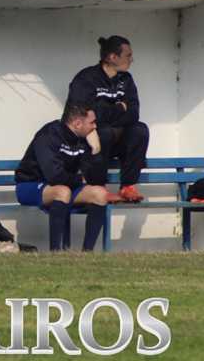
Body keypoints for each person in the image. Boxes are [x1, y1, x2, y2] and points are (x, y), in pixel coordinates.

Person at [14, 102, 109, 251]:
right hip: (29, 185)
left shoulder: (85, 139)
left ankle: (87, 253)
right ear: (77, 124)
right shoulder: (49, 134)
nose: (95, 126)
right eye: (92, 122)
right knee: (62, 191)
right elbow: (54, 176)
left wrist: (96, 150)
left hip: (66, 185)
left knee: (100, 194)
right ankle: (56, 252)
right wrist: (80, 179)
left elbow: (97, 179)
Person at [67, 35, 149, 203]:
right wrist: (119, 108)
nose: (132, 60)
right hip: (88, 144)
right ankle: (98, 188)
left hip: (113, 141)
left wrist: (104, 114)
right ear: (112, 57)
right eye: (128, 55)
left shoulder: (126, 79)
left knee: (140, 130)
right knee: (102, 132)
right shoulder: (86, 78)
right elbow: (83, 115)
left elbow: (133, 113)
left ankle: (128, 186)